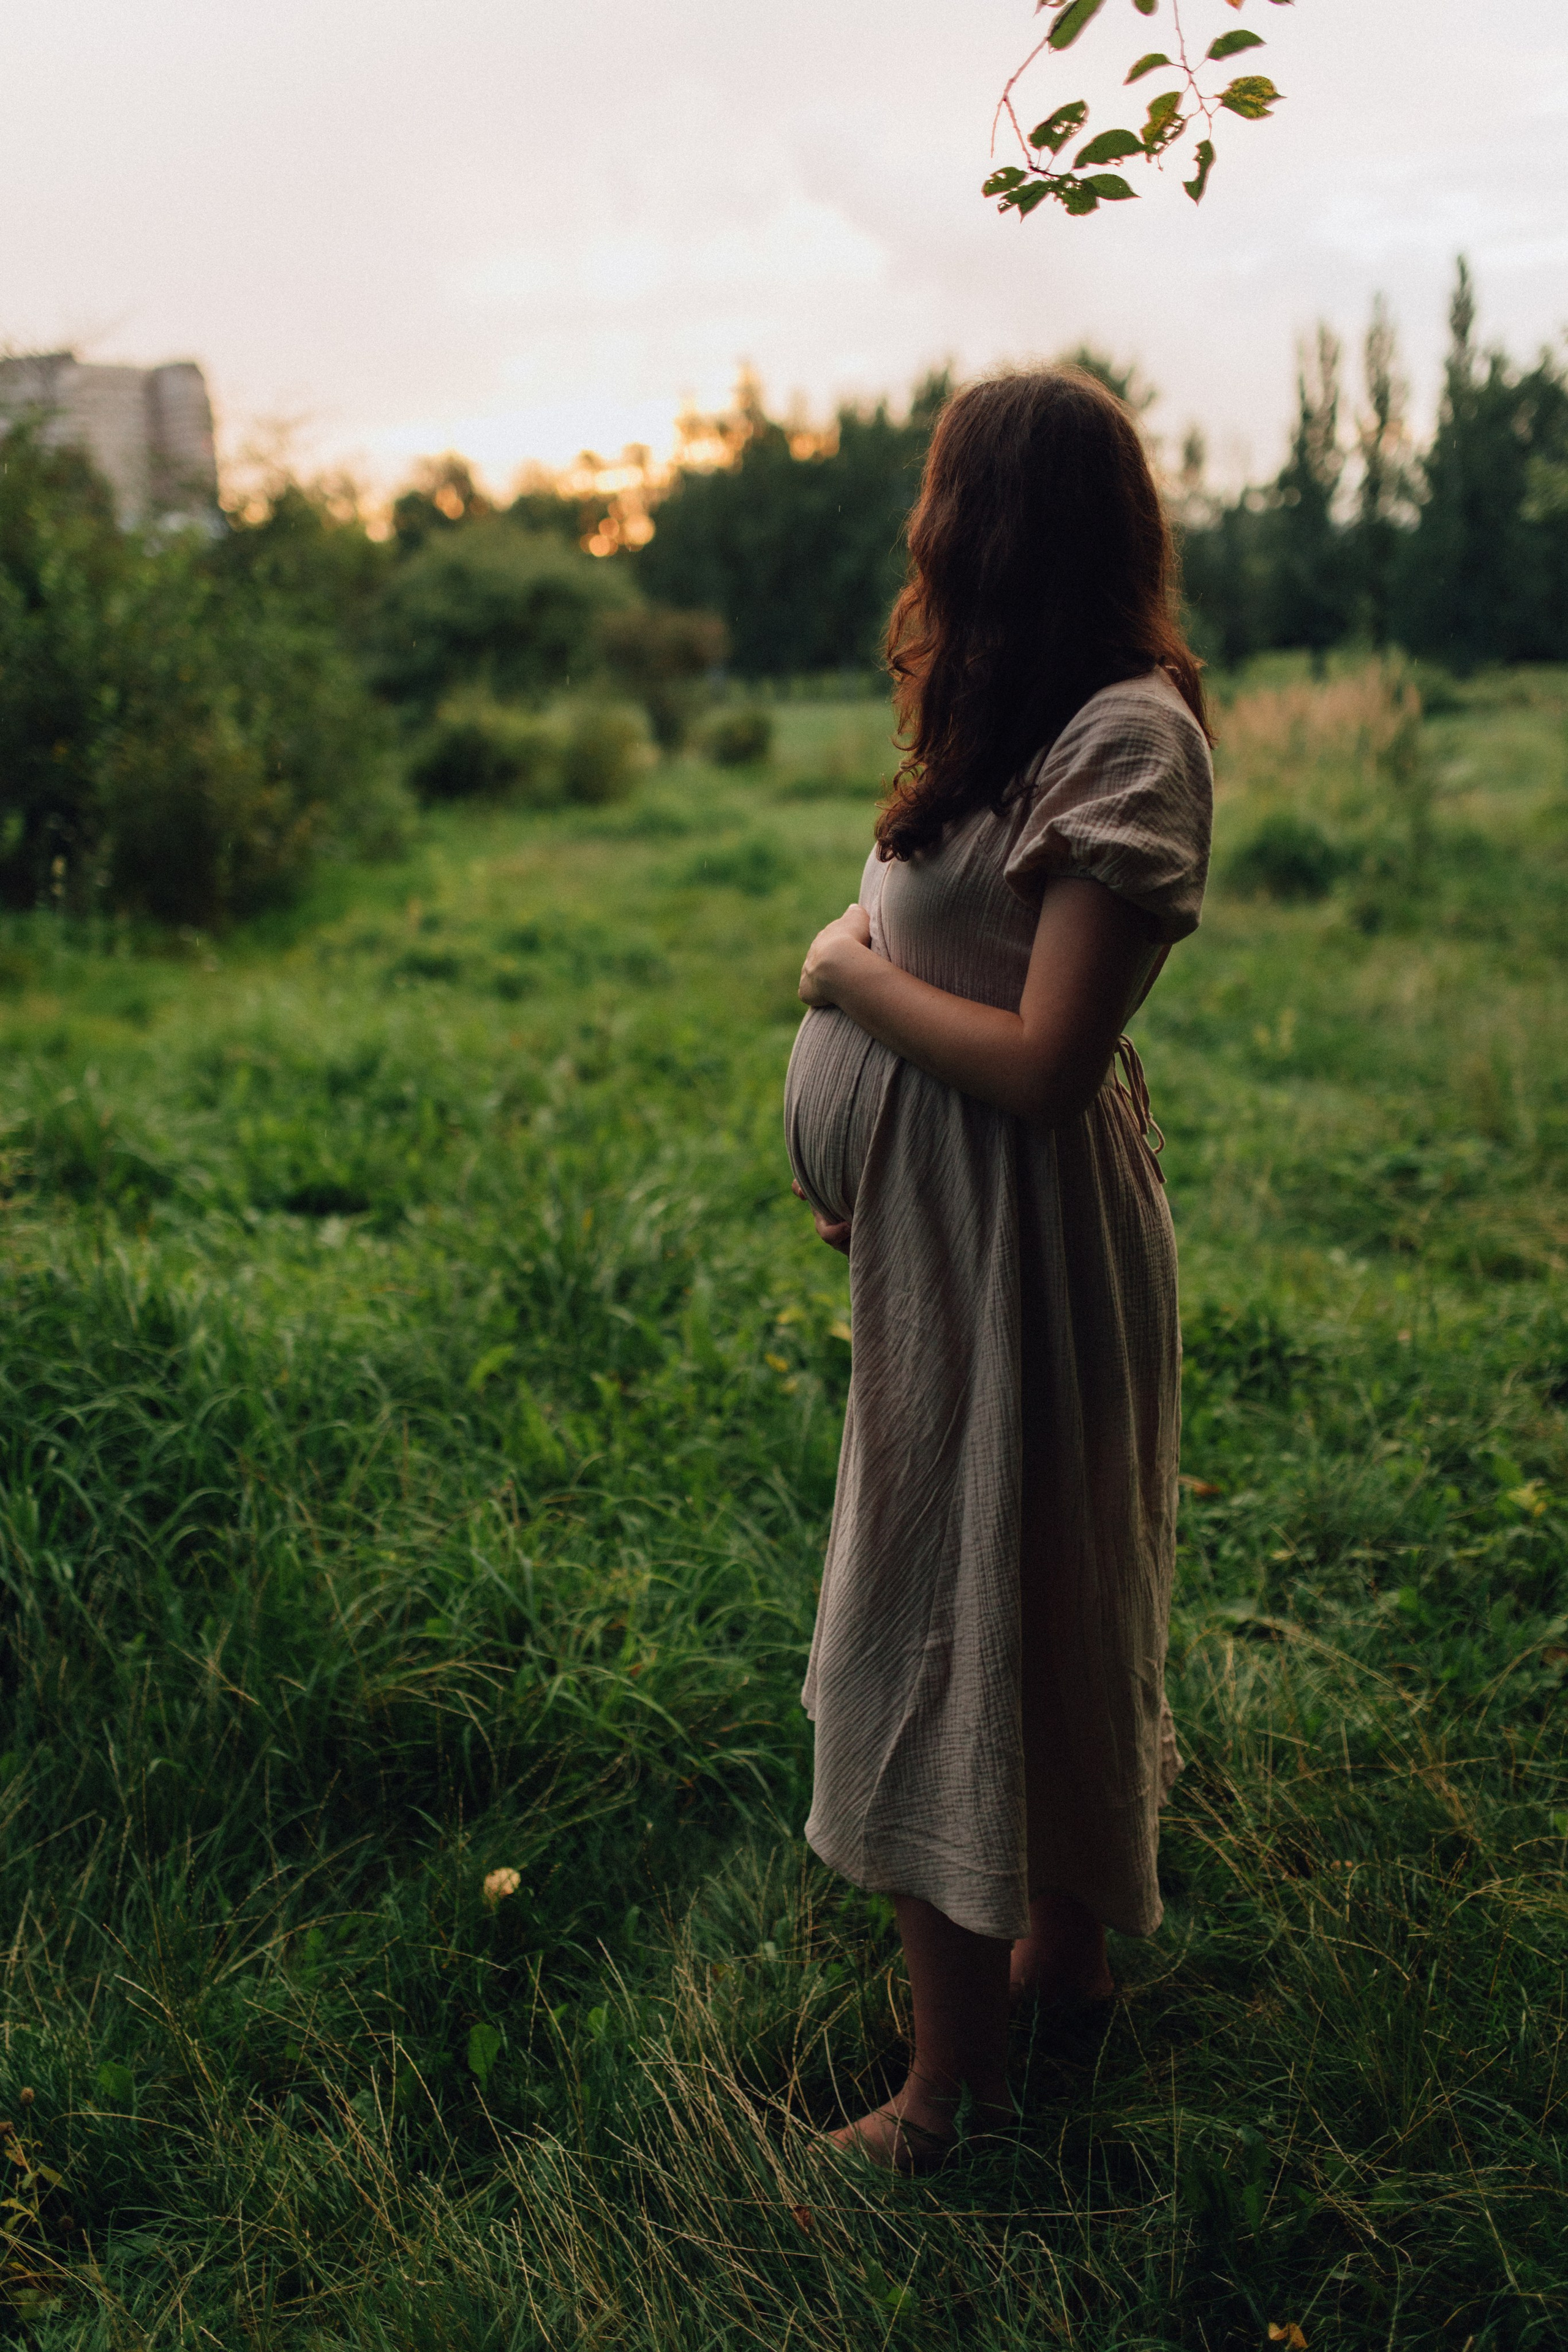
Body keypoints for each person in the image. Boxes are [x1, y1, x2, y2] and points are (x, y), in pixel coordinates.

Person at [783, 364, 1214, 2171]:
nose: (921, 527)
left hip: (1022, 1247)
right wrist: (870, 1152)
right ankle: (1066, 1973)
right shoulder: (1011, 718)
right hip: (950, 1240)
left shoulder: (1130, 736)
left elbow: (1042, 1065)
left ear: (1000, 518)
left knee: (959, 1613)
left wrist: (842, 980)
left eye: (945, 495)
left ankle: (947, 2098)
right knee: (1011, 1581)